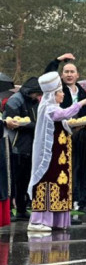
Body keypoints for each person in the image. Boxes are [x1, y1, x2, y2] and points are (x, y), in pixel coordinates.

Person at [27, 72, 86, 232]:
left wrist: (81, 125)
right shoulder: (47, 108)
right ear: (53, 94)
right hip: (50, 157)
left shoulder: (53, 108)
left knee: (61, 185)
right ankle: (39, 221)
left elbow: (64, 123)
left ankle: (57, 220)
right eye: (60, 92)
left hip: (60, 156)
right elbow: (64, 114)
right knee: (49, 183)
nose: (62, 94)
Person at [2, 77, 41, 221]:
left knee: (25, 179)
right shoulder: (15, 100)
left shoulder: (34, 101)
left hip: (30, 146)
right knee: (13, 180)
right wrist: (34, 125)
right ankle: (10, 209)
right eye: (37, 93)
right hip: (15, 145)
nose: (38, 96)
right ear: (31, 91)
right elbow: (13, 122)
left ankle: (22, 208)